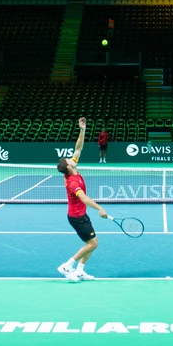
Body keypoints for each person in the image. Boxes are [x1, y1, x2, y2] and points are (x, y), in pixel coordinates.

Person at [56, 117, 109, 283]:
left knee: (93, 243)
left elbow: (78, 147)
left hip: (80, 215)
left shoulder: (72, 168)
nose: (71, 158)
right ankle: (67, 266)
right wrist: (100, 209)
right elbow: (84, 198)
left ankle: (79, 270)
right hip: (77, 217)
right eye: (69, 159)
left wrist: (83, 129)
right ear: (69, 166)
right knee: (92, 244)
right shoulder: (72, 182)